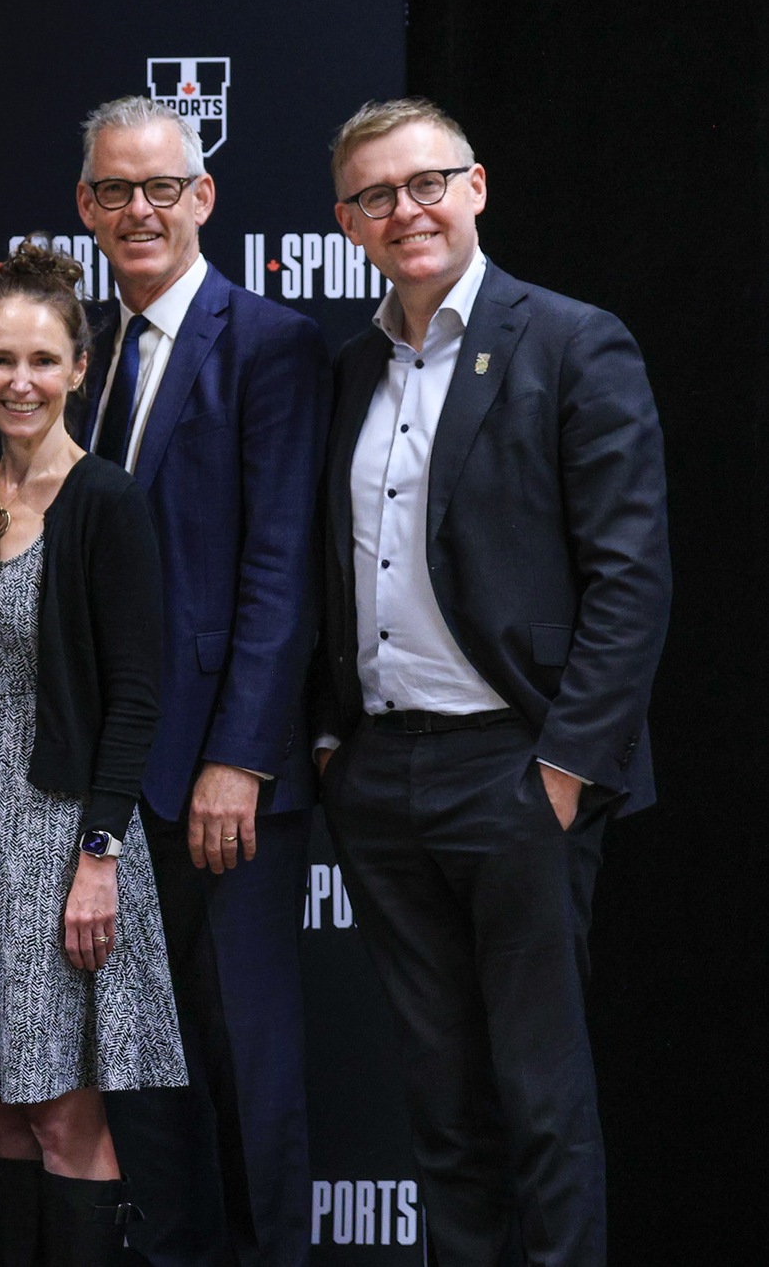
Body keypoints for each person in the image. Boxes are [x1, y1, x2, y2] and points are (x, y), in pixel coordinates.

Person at [310, 99, 668, 1267]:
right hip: (384, 779)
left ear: (475, 187)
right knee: (443, 1104)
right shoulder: (349, 367)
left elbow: (630, 579)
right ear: (347, 223)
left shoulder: (571, 341)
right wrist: (331, 749)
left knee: (542, 1102)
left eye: (427, 183)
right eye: (375, 195)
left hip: (516, 771)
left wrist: (563, 770)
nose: (404, 210)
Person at [69, 98, 330, 1267]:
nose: (139, 211)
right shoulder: (79, 352)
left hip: (222, 794)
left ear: (203, 199)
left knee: (251, 1081)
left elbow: (282, 571)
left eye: (161, 189)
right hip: (108, 792)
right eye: (114, 192)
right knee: (144, 1092)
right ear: (86, 207)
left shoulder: (266, 344)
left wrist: (242, 757)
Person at [0, 240, 185, 1267]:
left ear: (79, 368)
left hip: (63, 838)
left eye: (40, 361)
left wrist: (99, 857)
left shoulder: (104, 501)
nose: (18, 382)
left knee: (65, 1119)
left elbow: (137, 695)